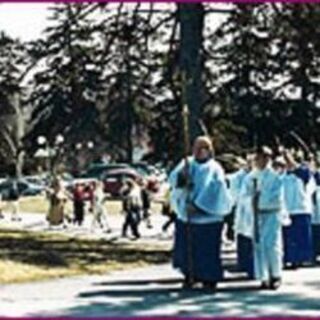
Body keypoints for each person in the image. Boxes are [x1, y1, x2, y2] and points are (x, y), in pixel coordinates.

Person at [169, 136, 231, 291]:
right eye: (197, 147)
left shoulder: (214, 168)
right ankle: (190, 275)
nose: (199, 151)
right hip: (188, 217)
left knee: (207, 250)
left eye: (203, 148)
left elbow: (216, 190)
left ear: (209, 150)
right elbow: (173, 181)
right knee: (189, 250)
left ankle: (209, 278)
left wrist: (199, 206)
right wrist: (182, 179)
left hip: (208, 218)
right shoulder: (186, 164)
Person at [240, 146, 284, 290]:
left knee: (272, 245)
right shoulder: (250, 177)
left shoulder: (275, 177)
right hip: (256, 216)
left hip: (271, 214)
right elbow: (243, 196)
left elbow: (277, 197)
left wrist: (261, 200)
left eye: (266, 157)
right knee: (259, 246)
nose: (262, 161)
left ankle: (275, 275)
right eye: (259, 157)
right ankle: (263, 277)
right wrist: (252, 201)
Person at [282, 149, 316, 268]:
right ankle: (290, 259)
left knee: (301, 237)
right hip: (287, 210)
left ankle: (301, 259)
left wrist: (288, 156)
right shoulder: (283, 176)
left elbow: (297, 168)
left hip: (301, 209)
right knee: (288, 237)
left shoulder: (304, 173)